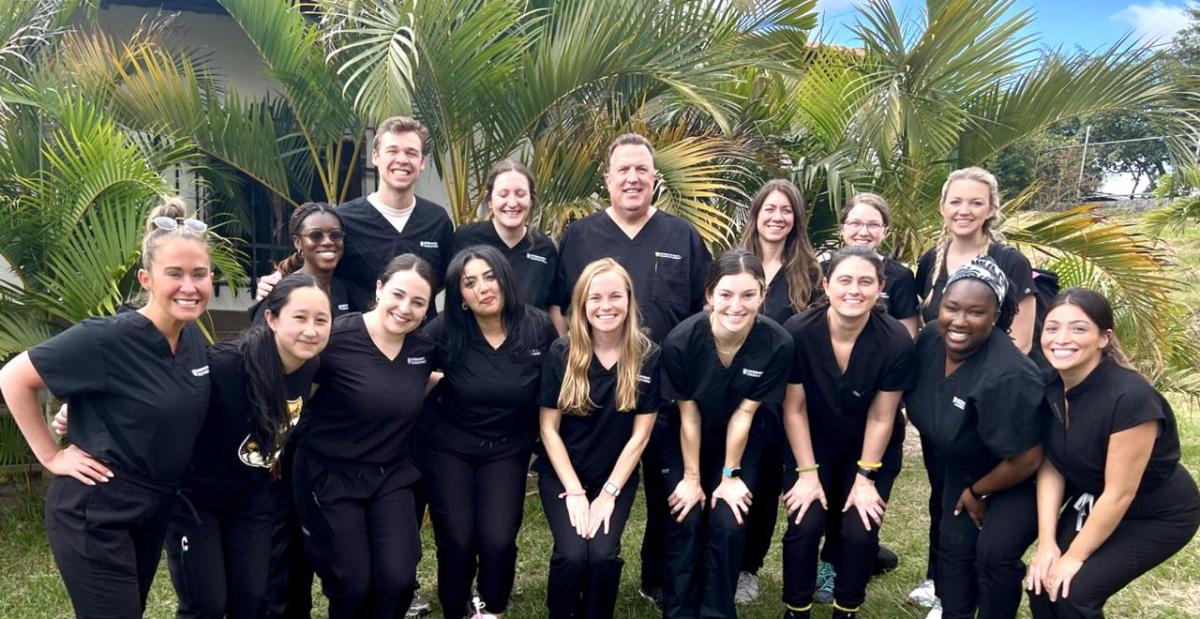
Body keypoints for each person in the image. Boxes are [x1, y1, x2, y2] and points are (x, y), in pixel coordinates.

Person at [0, 199, 213, 618]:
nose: (189, 286)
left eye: (199, 274)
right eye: (175, 274)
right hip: (96, 512)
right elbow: (14, 377)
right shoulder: (108, 339)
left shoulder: (190, 340)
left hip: (153, 507)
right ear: (146, 279)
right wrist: (51, 455)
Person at [551, 133, 710, 605]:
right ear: (608, 179)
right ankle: (584, 546)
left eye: (642, 169)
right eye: (623, 169)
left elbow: (703, 305)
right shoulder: (581, 235)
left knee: (667, 490)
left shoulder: (681, 235)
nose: (633, 178)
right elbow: (561, 306)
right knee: (598, 477)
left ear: (655, 178)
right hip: (596, 394)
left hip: (663, 387)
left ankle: (658, 580)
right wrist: (575, 362)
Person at [160, 274, 331, 619]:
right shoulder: (226, 365)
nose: (310, 330)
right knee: (206, 605)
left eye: (321, 320)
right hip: (195, 501)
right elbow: (162, 394)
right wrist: (79, 411)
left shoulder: (308, 364)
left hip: (251, 499)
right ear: (270, 318)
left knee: (252, 599)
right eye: (299, 318)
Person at [1025, 288, 1200, 618]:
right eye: (1052, 327)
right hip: (1094, 500)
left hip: (1155, 514)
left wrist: (1073, 557)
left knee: (1072, 594)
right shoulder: (1051, 383)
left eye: (1078, 328)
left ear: (1104, 338)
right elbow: (1053, 463)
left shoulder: (1130, 399)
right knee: (1041, 585)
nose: (1062, 338)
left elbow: (1120, 493)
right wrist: (1047, 545)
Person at [909, 167, 1036, 613]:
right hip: (950, 435)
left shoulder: (1010, 262)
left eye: (975, 201)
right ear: (942, 206)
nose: (964, 210)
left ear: (991, 208)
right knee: (947, 516)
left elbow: (1020, 337)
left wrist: (980, 488)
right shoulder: (932, 266)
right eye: (955, 201)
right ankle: (944, 588)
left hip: (995, 430)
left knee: (985, 545)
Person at [291, 254, 437, 619]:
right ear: (379, 288)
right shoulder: (335, 338)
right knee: (352, 584)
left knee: (399, 580)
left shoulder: (423, 350)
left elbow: (426, 384)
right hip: (331, 475)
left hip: (390, 476)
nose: (405, 309)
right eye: (398, 295)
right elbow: (290, 387)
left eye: (418, 302)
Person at [417, 245, 558, 618]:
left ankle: (492, 607)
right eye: (470, 283)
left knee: (497, 540)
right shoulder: (443, 331)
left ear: (504, 277)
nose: (483, 288)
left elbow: (557, 387)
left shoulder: (537, 326)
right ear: (460, 295)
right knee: (458, 540)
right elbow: (402, 368)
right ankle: (455, 607)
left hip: (507, 448)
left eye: (489, 276)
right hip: (449, 447)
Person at [778, 246, 914, 619]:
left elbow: (882, 417)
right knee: (806, 523)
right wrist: (806, 474)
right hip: (812, 442)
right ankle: (796, 609)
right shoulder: (799, 332)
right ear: (826, 284)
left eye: (866, 281)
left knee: (858, 528)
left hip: (870, 446)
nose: (854, 290)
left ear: (880, 287)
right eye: (845, 280)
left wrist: (865, 477)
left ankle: (846, 608)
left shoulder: (895, 341)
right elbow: (794, 407)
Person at [660, 249, 793, 618]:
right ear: (709, 295)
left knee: (728, 518)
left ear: (763, 295)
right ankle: (679, 611)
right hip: (684, 437)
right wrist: (691, 478)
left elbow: (744, 414)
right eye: (726, 294)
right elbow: (688, 417)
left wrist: (729, 475)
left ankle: (717, 611)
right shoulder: (681, 341)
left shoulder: (777, 343)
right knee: (686, 514)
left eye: (749, 295)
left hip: (740, 439)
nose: (737, 305)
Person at [535, 258, 662, 618]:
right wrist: (575, 492)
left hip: (614, 476)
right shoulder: (563, 352)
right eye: (595, 298)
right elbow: (548, 428)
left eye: (615, 296)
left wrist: (608, 494)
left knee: (603, 554)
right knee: (573, 554)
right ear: (582, 304)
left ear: (629, 300)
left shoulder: (649, 356)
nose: (605, 306)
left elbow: (641, 436)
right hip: (563, 474)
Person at [258, 117, 454, 318]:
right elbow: (314, 264)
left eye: (411, 153)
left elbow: (442, 280)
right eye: (392, 151)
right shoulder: (344, 219)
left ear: (422, 162)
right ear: (375, 157)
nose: (402, 159)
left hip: (421, 340)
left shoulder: (437, 220)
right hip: (355, 340)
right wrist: (278, 278)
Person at [734, 179, 821, 604]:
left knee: (767, 484)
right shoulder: (734, 263)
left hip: (786, 396)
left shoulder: (811, 272)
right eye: (769, 209)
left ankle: (748, 567)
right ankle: (723, 558)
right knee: (733, 476)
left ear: (796, 219)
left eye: (786, 210)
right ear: (756, 214)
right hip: (735, 392)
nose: (777, 217)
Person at [453, 160, 559, 309]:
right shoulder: (464, 239)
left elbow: (553, 307)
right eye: (503, 195)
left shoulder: (545, 248)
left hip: (530, 332)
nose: (512, 203)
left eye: (520, 194)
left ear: (531, 201)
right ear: (489, 200)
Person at [835, 193, 919, 337]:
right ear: (843, 228)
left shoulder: (900, 276)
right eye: (855, 223)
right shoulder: (821, 271)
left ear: (884, 231)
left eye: (873, 225)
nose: (863, 232)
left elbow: (908, 334)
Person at [252, 201, 351, 321]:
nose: (328, 242)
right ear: (297, 242)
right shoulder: (281, 291)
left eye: (335, 235)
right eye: (316, 235)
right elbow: (259, 337)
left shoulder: (340, 287)